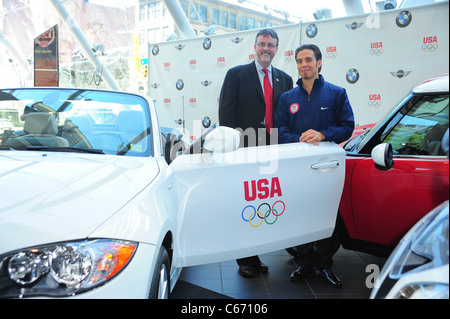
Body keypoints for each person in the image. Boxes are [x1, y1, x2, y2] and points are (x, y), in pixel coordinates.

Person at [274, 44, 355, 288]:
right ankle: (306, 263)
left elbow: (347, 126)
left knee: (324, 214)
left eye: (308, 59)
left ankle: (323, 265)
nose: (304, 65)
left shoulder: (336, 93)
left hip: (326, 167)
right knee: (300, 213)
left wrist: (321, 134)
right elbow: (279, 132)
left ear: (319, 62)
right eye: (299, 61)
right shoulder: (287, 98)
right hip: (296, 168)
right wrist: (298, 138)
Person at [219, 28, 293, 277]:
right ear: (255, 46)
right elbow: (226, 115)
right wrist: (230, 149)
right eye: (262, 44)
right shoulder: (236, 75)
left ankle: (257, 254)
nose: (266, 49)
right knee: (245, 203)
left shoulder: (285, 79)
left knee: (266, 203)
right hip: (244, 149)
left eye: (271, 45)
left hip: (273, 149)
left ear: (277, 48)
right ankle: (245, 260)